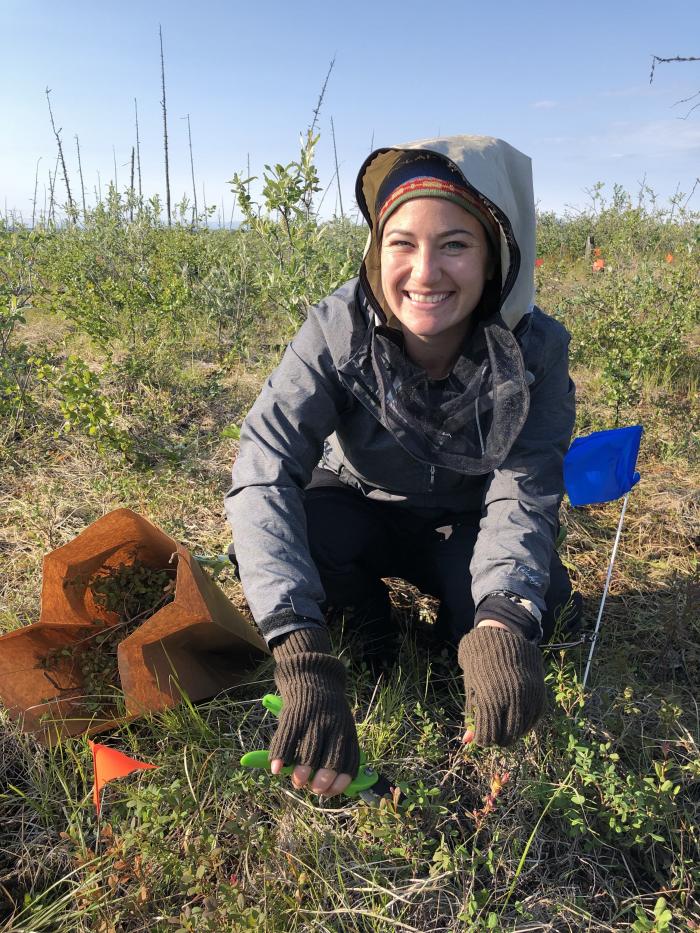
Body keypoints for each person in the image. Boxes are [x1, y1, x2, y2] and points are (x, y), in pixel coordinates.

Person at [225, 135, 580, 799]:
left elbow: (522, 493)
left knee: (535, 606)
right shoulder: (338, 329)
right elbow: (264, 465)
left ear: (497, 253)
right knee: (303, 534)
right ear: (375, 248)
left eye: (454, 243)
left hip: (466, 521)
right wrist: (299, 652)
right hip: (361, 502)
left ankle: (459, 645)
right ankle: (370, 642)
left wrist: (504, 618)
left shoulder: (536, 350)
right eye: (402, 243)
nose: (424, 272)